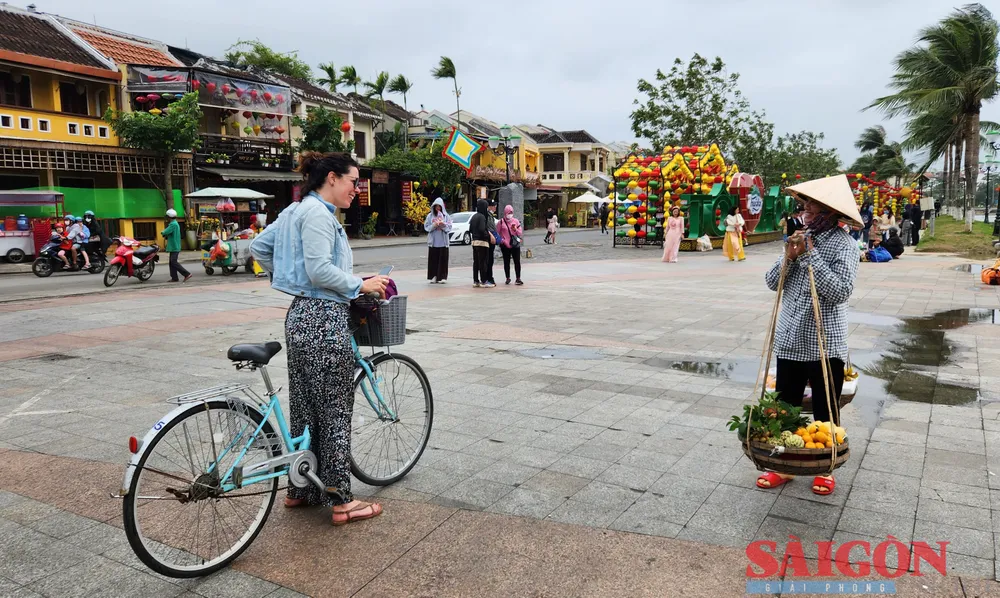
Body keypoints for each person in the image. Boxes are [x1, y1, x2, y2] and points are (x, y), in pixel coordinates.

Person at [250, 151, 389, 526]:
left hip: (300, 317)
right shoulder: (317, 215)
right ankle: (342, 501)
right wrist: (359, 284)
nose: (357, 189)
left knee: (307, 408)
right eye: (353, 181)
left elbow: (259, 248)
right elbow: (319, 269)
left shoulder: (296, 210)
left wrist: (292, 280)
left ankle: (301, 489)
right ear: (331, 177)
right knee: (334, 412)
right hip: (323, 320)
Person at [761, 175, 860, 497]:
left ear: (829, 211)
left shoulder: (844, 244)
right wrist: (790, 256)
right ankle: (783, 465)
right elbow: (772, 282)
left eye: (811, 206)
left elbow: (839, 292)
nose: (805, 211)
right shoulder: (796, 238)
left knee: (825, 411)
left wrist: (809, 255)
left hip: (824, 343)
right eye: (804, 205)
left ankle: (826, 466)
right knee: (785, 408)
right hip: (791, 338)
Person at [424, 198, 451, 284]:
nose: (438, 208)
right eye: (436, 206)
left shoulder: (446, 216)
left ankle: (442, 277)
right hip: (434, 242)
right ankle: (433, 276)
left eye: (440, 206)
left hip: (443, 242)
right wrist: (434, 225)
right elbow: (426, 227)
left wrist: (443, 225)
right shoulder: (430, 216)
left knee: (443, 260)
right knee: (433, 260)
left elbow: (449, 227)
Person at [468, 198, 494, 288]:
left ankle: (476, 280)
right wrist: (488, 236)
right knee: (483, 262)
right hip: (482, 243)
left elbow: (470, 229)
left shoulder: (474, 216)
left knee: (476, 262)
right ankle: (484, 280)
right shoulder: (482, 217)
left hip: (474, 242)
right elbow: (482, 229)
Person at [161, 209, 191, 283]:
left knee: (173, 262)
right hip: (174, 246)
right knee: (171, 262)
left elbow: (165, 231)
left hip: (174, 246)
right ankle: (174, 277)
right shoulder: (175, 223)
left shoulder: (173, 224)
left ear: (169, 217)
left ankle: (186, 274)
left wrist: (162, 232)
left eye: (167, 217)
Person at [497, 204, 523, 285]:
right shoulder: (501, 222)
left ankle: (518, 278)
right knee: (506, 261)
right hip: (505, 245)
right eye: (508, 213)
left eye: (511, 212)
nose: (510, 214)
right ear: (505, 213)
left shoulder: (515, 221)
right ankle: (507, 277)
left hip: (514, 244)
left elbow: (520, 232)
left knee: (517, 261)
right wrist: (502, 241)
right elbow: (498, 233)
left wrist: (515, 229)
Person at [485, 203, 498, 286]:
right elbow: (489, 228)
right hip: (489, 240)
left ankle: (489, 277)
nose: (495, 209)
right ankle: (488, 278)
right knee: (489, 260)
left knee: (490, 260)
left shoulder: (491, 216)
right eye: (494, 207)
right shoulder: (487, 216)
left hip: (491, 240)